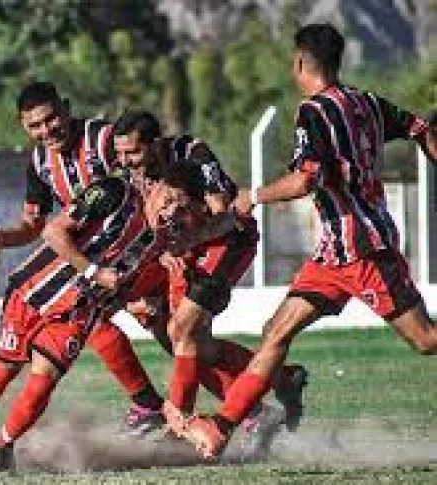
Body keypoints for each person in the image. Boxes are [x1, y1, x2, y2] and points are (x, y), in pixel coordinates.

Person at [181, 22, 437, 460]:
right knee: (275, 331)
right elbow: (418, 127)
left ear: (300, 62)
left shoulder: (313, 112)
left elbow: (306, 179)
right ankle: (223, 427)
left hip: (364, 252)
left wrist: (253, 196)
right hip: (332, 256)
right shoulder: (368, 102)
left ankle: (226, 423)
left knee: (426, 340)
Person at [0, 163, 216, 473]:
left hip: (78, 312)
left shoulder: (162, 241)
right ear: (153, 185)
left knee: (43, 381)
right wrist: (92, 271)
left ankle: (3, 445)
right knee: (5, 366)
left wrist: (139, 301)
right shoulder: (114, 193)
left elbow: (123, 282)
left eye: (179, 207)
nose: (168, 211)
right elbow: (53, 231)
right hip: (32, 290)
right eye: (167, 199)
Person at [0, 81, 166, 435]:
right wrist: (3, 239)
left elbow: (149, 157)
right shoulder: (38, 161)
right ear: (23, 126)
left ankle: (164, 406)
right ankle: (164, 405)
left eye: (52, 119)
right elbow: (34, 224)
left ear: (65, 107)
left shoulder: (104, 139)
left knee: (175, 328)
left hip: (144, 248)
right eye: (35, 126)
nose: (47, 131)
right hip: (102, 263)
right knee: (154, 329)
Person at [110, 111, 308, 442]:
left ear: (155, 145)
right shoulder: (133, 172)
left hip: (225, 240)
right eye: (119, 153)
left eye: (132, 152)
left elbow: (225, 214)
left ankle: (180, 427)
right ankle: (278, 382)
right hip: (181, 248)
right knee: (180, 339)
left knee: (182, 327)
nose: (125, 161)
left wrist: (186, 241)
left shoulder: (194, 155)